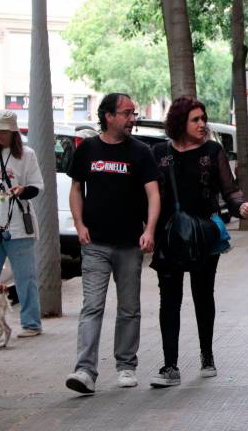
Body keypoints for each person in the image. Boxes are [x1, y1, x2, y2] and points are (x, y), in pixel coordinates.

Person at [148, 96, 248, 388]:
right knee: (169, 299)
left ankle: (207, 355)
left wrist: (240, 207)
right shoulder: (159, 153)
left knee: (202, 294)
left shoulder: (212, 150)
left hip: (204, 234)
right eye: (195, 119)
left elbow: (229, 189)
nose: (202, 124)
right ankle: (170, 366)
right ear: (180, 122)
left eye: (203, 118)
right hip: (169, 237)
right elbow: (149, 194)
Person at [65, 93, 161, 394]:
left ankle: (126, 366)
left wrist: (150, 230)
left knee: (129, 308)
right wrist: (79, 225)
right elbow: (76, 190)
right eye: (127, 113)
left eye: (133, 113)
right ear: (108, 116)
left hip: (130, 244)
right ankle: (84, 371)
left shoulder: (142, 152)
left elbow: (153, 194)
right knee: (91, 307)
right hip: (94, 243)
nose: (133, 118)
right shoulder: (88, 150)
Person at [0, 109, 44, 341]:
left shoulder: (27, 155)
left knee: (25, 277)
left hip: (18, 226)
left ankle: (31, 323)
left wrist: (22, 190)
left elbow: (38, 186)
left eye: (4, 132)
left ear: (13, 133)